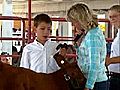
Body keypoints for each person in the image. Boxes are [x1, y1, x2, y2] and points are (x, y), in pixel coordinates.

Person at [67, 3, 109, 90]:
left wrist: (88, 86)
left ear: (80, 19)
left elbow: (94, 63)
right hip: (91, 80)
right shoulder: (89, 33)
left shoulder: (92, 35)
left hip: (95, 83)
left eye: (74, 22)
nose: (73, 25)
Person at [107, 5, 120, 90]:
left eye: (115, 16)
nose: (112, 19)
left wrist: (110, 60)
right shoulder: (118, 32)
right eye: (110, 17)